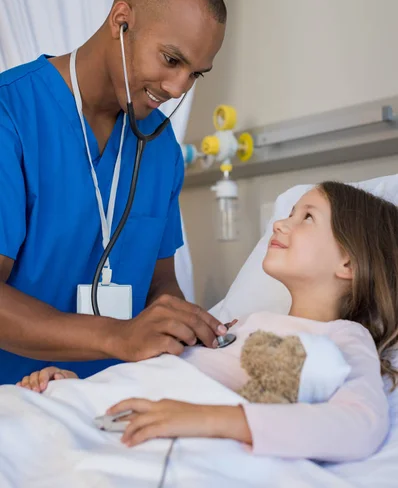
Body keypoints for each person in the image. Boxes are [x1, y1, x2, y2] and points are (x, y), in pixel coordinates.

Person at [21, 182, 398, 462]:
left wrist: (211, 418)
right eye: (289, 212)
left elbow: (359, 426)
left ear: (348, 263)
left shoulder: (342, 339)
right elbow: (164, 375)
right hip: (96, 412)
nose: (280, 224)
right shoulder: (237, 324)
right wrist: (78, 390)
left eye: (307, 217)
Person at [0, 0, 229, 385]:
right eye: (171, 59)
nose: (178, 88)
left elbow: (160, 284)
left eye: (195, 73)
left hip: (112, 407)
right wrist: (119, 336)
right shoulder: (11, 114)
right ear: (121, 20)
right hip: (14, 406)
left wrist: (184, 326)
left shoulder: (160, 147)